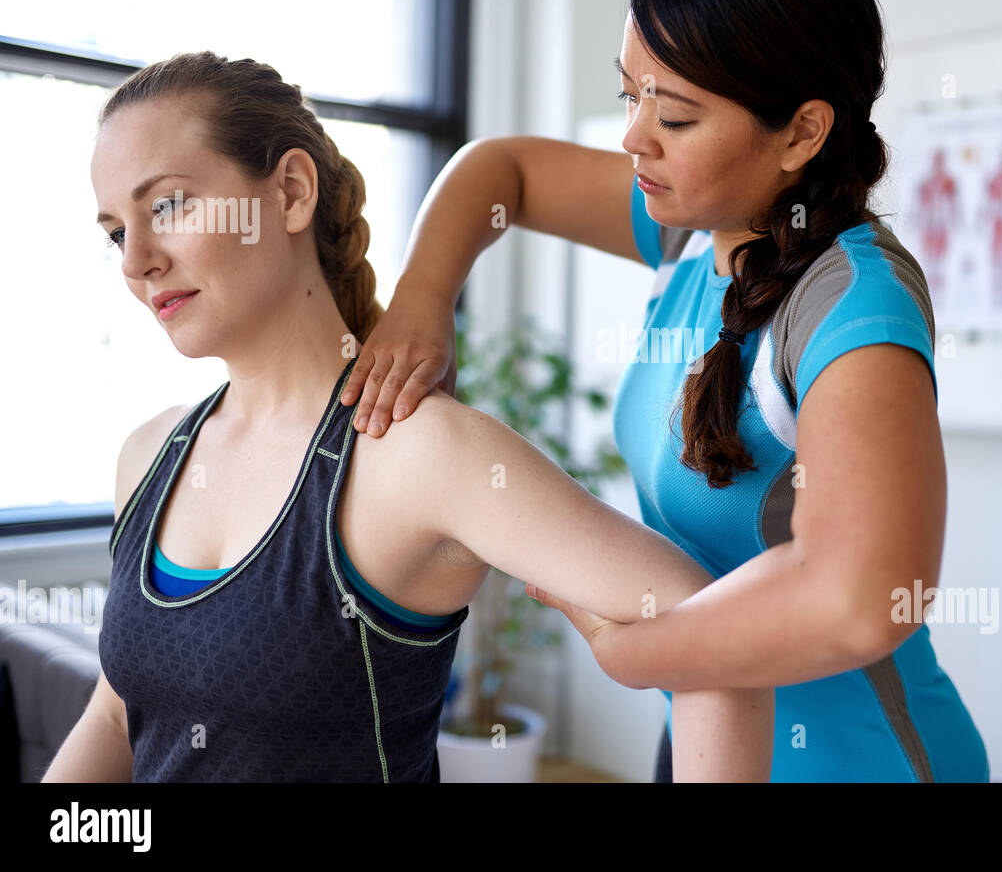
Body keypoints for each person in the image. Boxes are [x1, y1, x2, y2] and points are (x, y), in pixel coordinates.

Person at [338, 0, 990, 782]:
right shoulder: (695, 232)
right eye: (631, 96)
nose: (633, 138)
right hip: (704, 734)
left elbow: (865, 596)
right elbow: (503, 173)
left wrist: (632, 655)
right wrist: (423, 298)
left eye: (675, 115)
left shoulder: (851, 304)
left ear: (801, 132)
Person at [41, 50, 772, 783]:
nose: (136, 260)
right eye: (115, 232)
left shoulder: (414, 453)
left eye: (167, 205)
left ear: (291, 192)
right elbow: (116, 712)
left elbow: (718, 636)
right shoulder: (148, 457)